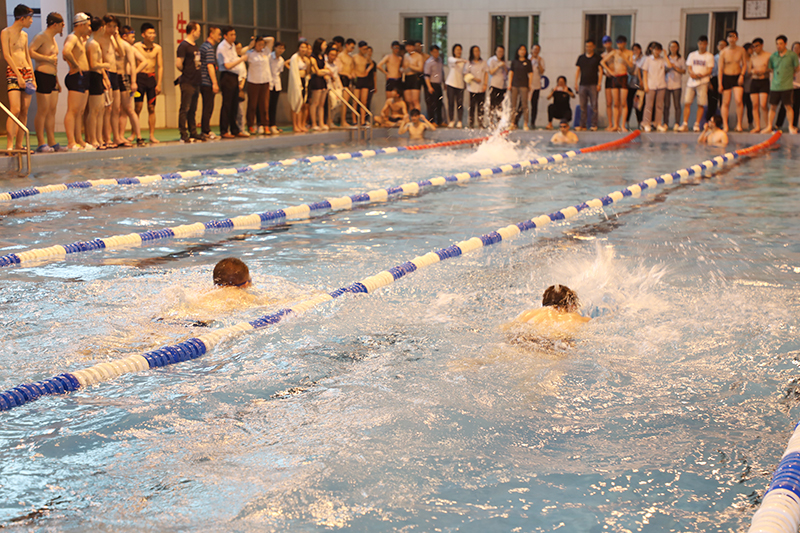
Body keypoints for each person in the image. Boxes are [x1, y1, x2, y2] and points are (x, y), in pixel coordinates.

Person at [29, 12, 65, 153]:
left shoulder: (53, 39)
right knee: (43, 110)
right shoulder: (41, 36)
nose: (63, 27)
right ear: (55, 24)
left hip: (52, 77)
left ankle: (52, 141)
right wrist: (46, 58)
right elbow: (30, 51)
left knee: (52, 111)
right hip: (42, 75)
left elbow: (54, 62)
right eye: (62, 24)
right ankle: (41, 143)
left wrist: (57, 80)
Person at [2, 4, 35, 152]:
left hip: (26, 72)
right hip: (13, 72)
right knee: (15, 109)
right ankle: (10, 144)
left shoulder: (25, 35)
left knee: (24, 111)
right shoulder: (6, 32)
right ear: (22, 18)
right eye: (30, 18)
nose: (31, 21)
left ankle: (19, 145)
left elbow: (27, 56)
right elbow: (7, 55)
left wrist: (32, 77)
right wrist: (18, 76)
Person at [507, 285, 590, 341]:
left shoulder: (528, 314)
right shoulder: (572, 317)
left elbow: (505, 328)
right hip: (555, 340)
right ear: (569, 303)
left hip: (524, 337)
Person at [62, 12, 92, 151]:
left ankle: (79, 140)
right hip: (76, 77)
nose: (89, 28)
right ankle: (71, 142)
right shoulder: (72, 37)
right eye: (88, 25)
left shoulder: (80, 39)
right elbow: (65, 52)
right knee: (73, 110)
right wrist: (75, 65)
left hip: (84, 76)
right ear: (81, 25)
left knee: (80, 111)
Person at [763, 35, 800, 134]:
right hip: (775, 86)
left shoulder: (792, 55)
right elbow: (770, 68)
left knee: (788, 106)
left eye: (781, 43)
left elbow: (797, 68)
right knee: (773, 107)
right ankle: (769, 126)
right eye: (777, 44)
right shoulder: (773, 56)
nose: (778, 46)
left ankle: (790, 126)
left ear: (785, 44)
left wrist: (790, 73)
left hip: (787, 85)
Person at [133, 23, 163, 143]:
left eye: (153, 33)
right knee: (138, 107)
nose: (152, 35)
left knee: (151, 107)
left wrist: (159, 83)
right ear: (143, 34)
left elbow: (160, 66)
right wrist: (133, 80)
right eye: (149, 33)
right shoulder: (136, 47)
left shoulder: (157, 48)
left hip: (151, 78)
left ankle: (151, 135)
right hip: (140, 78)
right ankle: (135, 134)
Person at [216, 26, 248, 138]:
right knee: (227, 104)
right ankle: (224, 130)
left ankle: (235, 129)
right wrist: (241, 59)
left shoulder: (232, 46)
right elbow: (227, 65)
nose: (234, 37)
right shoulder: (222, 47)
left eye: (234, 34)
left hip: (234, 76)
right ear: (225, 36)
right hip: (227, 76)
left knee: (234, 104)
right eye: (231, 35)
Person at [97, 15, 123, 149]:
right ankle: (107, 138)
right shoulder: (100, 39)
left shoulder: (113, 39)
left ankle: (116, 136)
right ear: (104, 26)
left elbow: (122, 53)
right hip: (106, 73)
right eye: (110, 26)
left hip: (114, 73)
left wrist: (117, 38)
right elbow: (99, 60)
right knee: (108, 109)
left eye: (114, 26)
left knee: (116, 108)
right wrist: (104, 77)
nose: (112, 29)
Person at [678, 35, 714, 132]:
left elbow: (709, 70)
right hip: (691, 82)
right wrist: (692, 74)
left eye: (704, 44)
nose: (702, 46)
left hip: (703, 82)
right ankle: (685, 123)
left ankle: (697, 124)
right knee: (687, 102)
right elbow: (689, 67)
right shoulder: (692, 54)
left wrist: (700, 75)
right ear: (698, 44)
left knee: (700, 104)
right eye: (700, 43)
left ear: (707, 44)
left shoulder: (709, 56)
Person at [600, 35, 634, 132]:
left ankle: (622, 125)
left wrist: (623, 57)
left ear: (625, 43)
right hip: (615, 78)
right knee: (615, 103)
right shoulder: (614, 52)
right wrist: (610, 72)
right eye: (618, 43)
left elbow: (631, 65)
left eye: (621, 43)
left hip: (623, 77)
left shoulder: (629, 53)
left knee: (623, 103)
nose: (619, 45)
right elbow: (602, 62)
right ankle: (615, 125)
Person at [176, 21, 203, 142]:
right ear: (193, 31)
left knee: (193, 109)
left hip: (196, 81)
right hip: (187, 81)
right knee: (185, 108)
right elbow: (178, 64)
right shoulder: (184, 46)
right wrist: (187, 72)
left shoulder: (195, 46)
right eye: (198, 30)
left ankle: (193, 131)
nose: (199, 33)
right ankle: (183, 133)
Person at [85, 17, 110, 150]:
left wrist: (104, 77)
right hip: (93, 76)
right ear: (101, 28)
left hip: (98, 76)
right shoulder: (92, 43)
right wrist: (105, 65)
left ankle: (99, 138)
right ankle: (93, 139)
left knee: (100, 109)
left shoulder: (94, 42)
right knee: (94, 110)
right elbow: (93, 64)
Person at [117, 25, 144, 145]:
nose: (134, 39)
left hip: (125, 78)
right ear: (124, 36)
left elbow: (139, 63)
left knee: (128, 109)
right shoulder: (120, 45)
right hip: (120, 77)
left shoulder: (128, 47)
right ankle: (121, 136)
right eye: (132, 37)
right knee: (121, 110)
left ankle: (138, 136)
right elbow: (143, 61)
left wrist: (133, 78)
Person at [718, 30, 747, 132]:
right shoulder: (723, 52)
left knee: (739, 100)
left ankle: (739, 124)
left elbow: (744, 64)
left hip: (737, 76)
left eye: (734, 37)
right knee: (726, 102)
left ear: (737, 38)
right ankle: (725, 125)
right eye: (730, 37)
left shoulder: (741, 50)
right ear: (727, 39)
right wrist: (720, 84)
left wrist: (742, 75)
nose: (732, 39)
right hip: (726, 77)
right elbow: (720, 69)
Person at [245, 35, 274, 135]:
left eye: (262, 44)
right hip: (253, 81)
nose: (261, 46)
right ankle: (250, 125)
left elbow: (271, 39)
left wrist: (261, 39)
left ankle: (265, 124)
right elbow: (241, 52)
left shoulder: (266, 52)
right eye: (259, 44)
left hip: (265, 81)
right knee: (252, 105)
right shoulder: (250, 53)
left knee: (264, 105)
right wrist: (252, 43)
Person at [641, 42, 671, 132]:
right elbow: (644, 72)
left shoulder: (662, 60)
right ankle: (646, 123)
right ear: (652, 49)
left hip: (661, 85)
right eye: (656, 49)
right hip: (651, 85)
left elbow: (669, 66)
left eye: (659, 50)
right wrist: (645, 85)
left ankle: (658, 123)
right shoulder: (648, 59)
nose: (657, 51)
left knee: (659, 106)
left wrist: (665, 56)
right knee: (649, 105)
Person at [575, 39, 602, 131]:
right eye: (587, 46)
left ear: (593, 47)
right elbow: (578, 70)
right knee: (582, 106)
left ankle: (594, 124)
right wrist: (576, 83)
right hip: (582, 84)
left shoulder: (597, 58)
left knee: (594, 105)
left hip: (593, 84)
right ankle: (582, 125)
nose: (588, 48)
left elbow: (600, 71)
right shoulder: (581, 58)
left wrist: (599, 83)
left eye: (590, 46)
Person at [199, 25, 221, 140]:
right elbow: (210, 66)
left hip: (202, 81)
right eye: (218, 34)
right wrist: (214, 83)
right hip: (206, 81)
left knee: (207, 106)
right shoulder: (209, 48)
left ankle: (205, 129)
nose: (220, 37)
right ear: (211, 34)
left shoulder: (203, 46)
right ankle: (206, 130)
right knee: (208, 107)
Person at [747, 38, 770, 133]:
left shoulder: (768, 55)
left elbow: (771, 68)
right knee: (755, 105)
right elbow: (749, 70)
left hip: (764, 81)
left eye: (757, 46)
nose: (755, 48)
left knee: (763, 104)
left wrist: (764, 70)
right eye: (754, 46)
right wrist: (753, 71)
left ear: (762, 45)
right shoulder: (752, 57)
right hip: (754, 81)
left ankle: (768, 125)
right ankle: (757, 126)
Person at [307, 38, 330, 131]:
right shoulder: (313, 57)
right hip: (316, 81)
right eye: (324, 44)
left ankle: (321, 123)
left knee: (321, 104)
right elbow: (317, 72)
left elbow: (325, 69)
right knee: (315, 103)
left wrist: (324, 71)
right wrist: (325, 71)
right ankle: (313, 123)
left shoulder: (323, 56)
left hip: (323, 81)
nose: (325, 46)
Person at [776, 42, 800, 130]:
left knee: (796, 106)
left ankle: (794, 125)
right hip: (788, 86)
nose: (796, 49)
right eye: (794, 48)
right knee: (784, 106)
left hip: (798, 86)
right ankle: (778, 125)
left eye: (798, 48)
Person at [508, 44, 532, 130]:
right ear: (518, 51)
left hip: (524, 85)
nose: (522, 51)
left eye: (524, 50)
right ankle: (512, 123)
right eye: (521, 50)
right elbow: (511, 73)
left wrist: (529, 84)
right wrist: (509, 84)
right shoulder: (514, 62)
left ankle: (525, 123)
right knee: (513, 105)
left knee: (524, 105)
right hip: (515, 85)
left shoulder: (528, 62)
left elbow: (530, 74)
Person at [334, 38, 357, 126]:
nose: (352, 49)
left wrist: (352, 73)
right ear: (346, 45)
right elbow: (337, 69)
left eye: (353, 48)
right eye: (351, 47)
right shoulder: (340, 56)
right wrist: (346, 74)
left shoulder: (351, 57)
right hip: (342, 78)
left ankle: (344, 121)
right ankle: (342, 121)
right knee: (344, 101)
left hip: (348, 80)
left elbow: (352, 68)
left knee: (346, 101)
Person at [288, 41, 309, 133]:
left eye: (305, 47)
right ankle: (295, 125)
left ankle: (300, 124)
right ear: (298, 48)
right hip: (296, 82)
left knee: (302, 104)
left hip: (303, 81)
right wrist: (297, 84)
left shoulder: (305, 59)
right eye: (302, 47)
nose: (303, 49)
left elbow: (307, 71)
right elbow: (293, 72)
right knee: (295, 103)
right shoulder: (294, 58)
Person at [464, 45, 488, 128]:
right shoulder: (469, 63)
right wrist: (474, 79)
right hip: (472, 87)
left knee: (481, 106)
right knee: (472, 106)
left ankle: (481, 123)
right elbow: (466, 74)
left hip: (481, 87)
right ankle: (471, 123)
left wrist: (485, 84)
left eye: (478, 51)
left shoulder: (483, 62)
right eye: (475, 51)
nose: (477, 53)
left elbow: (486, 73)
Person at [665, 41, 686, 130]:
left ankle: (677, 123)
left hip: (677, 84)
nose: (673, 48)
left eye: (674, 47)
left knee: (677, 105)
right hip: (667, 84)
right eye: (671, 47)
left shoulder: (680, 59)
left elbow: (684, 71)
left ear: (677, 48)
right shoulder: (666, 58)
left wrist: (675, 67)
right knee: (666, 105)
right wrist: (668, 67)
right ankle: (665, 123)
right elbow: (663, 70)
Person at [705, 39, 727, 123]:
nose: (722, 47)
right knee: (712, 102)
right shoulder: (713, 58)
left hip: (725, 79)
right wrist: (709, 82)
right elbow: (709, 71)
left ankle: (723, 122)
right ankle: (710, 122)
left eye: (724, 45)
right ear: (717, 47)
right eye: (720, 45)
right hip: (714, 79)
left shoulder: (728, 57)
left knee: (724, 102)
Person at [445, 43, 466, 128]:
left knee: (460, 103)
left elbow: (465, 73)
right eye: (457, 50)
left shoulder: (464, 62)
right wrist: (463, 61)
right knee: (451, 103)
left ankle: (459, 121)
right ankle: (451, 120)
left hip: (460, 84)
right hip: (451, 83)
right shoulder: (451, 59)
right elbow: (455, 61)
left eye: (460, 50)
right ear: (453, 51)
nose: (459, 51)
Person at [423, 44, 444, 126]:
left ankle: (439, 121)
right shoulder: (428, 62)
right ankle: (432, 121)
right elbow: (426, 75)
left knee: (439, 104)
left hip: (438, 84)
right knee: (431, 104)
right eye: (434, 52)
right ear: (431, 52)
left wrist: (444, 82)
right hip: (431, 84)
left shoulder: (440, 60)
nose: (436, 53)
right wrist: (429, 87)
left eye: (437, 52)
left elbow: (441, 72)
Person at [353, 40, 373, 126]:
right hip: (357, 79)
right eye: (364, 49)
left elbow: (372, 64)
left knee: (364, 101)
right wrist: (353, 73)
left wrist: (367, 71)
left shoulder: (366, 58)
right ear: (359, 48)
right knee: (355, 101)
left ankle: (362, 120)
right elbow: (351, 66)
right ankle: (354, 120)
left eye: (366, 49)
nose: (365, 51)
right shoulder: (354, 57)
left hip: (364, 79)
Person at [625, 43, 645, 129]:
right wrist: (634, 61)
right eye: (634, 50)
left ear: (640, 50)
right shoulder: (631, 59)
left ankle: (640, 122)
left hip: (639, 85)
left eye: (637, 49)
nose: (635, 51)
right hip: (630, 84)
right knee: (629, 104)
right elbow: (630, 71)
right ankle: (626, 122)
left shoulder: (643, 59)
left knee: (639, 105)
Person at [486, 45, 508, 123]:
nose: (500, 53)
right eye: (499, 51)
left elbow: (508, 72)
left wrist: (504, 66)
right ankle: (491, 121)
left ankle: (499, 121)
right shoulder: (492, 60)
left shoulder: (504, 61)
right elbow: (491, 72)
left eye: (502, 52)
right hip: (494, 85)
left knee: (500, 105)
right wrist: (498, 66)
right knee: (492, 104)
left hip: (503, 85)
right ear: (496, 52)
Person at [268, 41, 285, 134]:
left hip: (277, 84)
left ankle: (273, 125)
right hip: (268, 83)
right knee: (266, 105)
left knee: (273, 106)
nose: (280, 50)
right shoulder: (269, 57)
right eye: (279, 48)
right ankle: (266, 125)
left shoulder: (281, 60)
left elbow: (279, 72)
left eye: (282, 48)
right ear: (275, 48)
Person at [402, 40, 424, 111]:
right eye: (407, 46)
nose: (408, 48)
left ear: (413, 47)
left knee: (415, 100)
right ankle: (412, 116)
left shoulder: (418, 56)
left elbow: (420, 69)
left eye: (410, 46)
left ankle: (417, 116)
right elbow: (404, 67)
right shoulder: (405, 55)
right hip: (407, 78)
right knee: (409, 101)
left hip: (415, 78)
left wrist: (410, 66)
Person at [529, 44, 545, 129]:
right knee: (522, 104)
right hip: (527, 84)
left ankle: (532, 122)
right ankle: (516, 121)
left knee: (534, 105)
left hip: (536, 85)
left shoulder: (541, 59)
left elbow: (542, 72)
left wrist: (538, 63)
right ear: (531, 50)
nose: (536, 51)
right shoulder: (527, 58)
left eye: (537, 49)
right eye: (534, 49)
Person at [600, 36, 614, 130]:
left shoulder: (615, 52)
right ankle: (610, 124)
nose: (607, 44)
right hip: (609, 79)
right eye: (605, 43)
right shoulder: (602, 55)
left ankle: (617, 124)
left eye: (608, 42)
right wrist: (606, 73)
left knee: (617, 103)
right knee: (609, 102)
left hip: (617, 78)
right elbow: (600, 69)